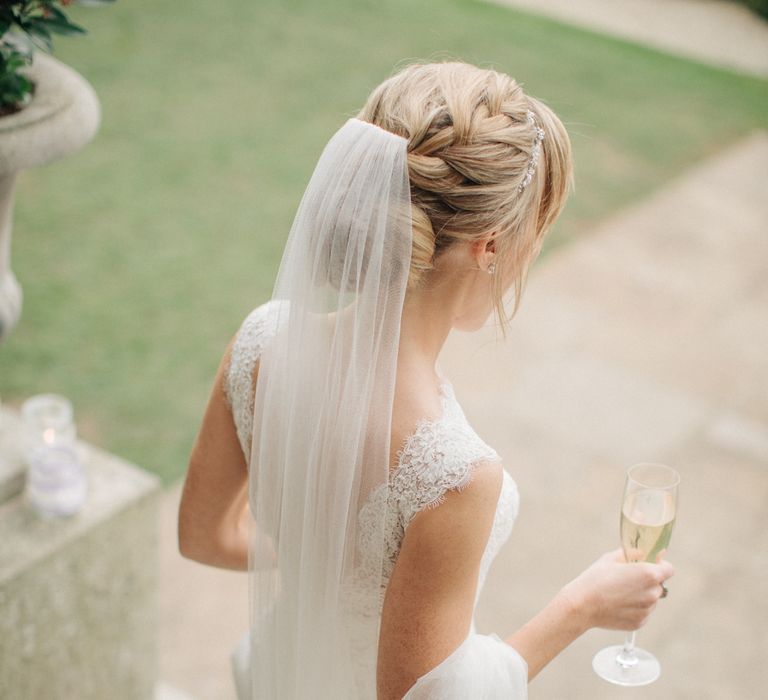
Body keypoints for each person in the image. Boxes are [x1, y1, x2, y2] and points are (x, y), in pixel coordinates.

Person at [178, 60, 674, 699]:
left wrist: (324, 565)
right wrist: (581, 606)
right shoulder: (455, 474)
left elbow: (202, 536)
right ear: (490, 246)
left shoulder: (259, 344)